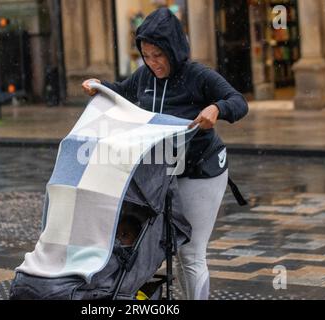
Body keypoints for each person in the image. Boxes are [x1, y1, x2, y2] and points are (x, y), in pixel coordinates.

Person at [82, 8, 248, 300]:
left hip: (201, 170)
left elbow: (238, 101)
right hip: (162, 170)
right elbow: (122, 93)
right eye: (146, 55)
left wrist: (217, 108)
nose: (152, 62)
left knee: (190, 251)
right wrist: (100, 88)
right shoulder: (144, 76)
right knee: (155, 244)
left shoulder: (197, 75)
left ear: (173, 49)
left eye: (158, 55)